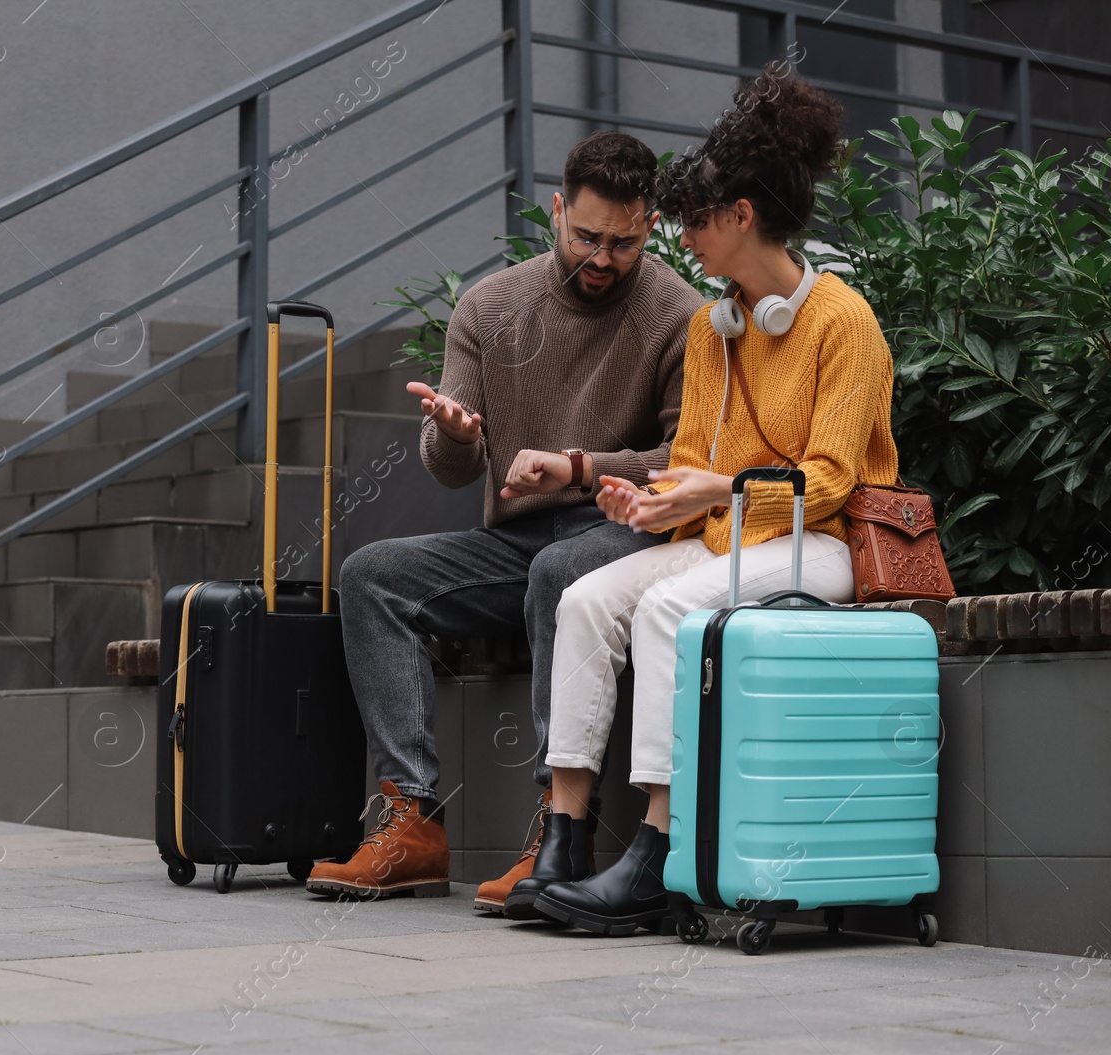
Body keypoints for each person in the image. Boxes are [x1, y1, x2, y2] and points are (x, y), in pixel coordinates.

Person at [501, 63, 900, 934]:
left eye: (694, 222)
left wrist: (722, 490)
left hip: (819, 542)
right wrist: (653, 507)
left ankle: (658, 851)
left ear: (741, 217)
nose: (683, 239)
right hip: (734, 539)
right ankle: (564, 837)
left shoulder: (843, 322)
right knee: (584, 597)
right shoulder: (712, 327)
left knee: (672, 609)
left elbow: (830, 481)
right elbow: (689, 465)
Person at [306, 132, 704, 911]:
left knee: (562, 573)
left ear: (649, 228)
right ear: (557, 211)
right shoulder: (489, 307)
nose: (602, 255)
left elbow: (682, 458)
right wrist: (455, 435)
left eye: (623, 242)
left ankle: (561, 826)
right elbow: (451, 464)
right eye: (586, 235)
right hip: (515, 540)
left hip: (622, 529)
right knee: (371, 578)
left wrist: (581, 464)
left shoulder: (678, 313)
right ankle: (413, 820)